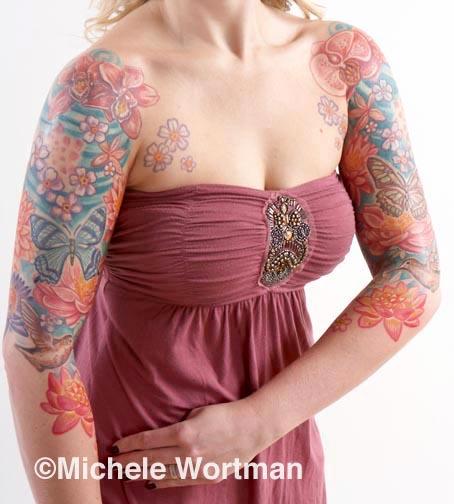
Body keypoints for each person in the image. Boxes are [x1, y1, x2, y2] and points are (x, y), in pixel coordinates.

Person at [3, 0, 441, 502]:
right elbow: (38, 347)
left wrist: (260, 421)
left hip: (283, 451)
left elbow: (414, 272)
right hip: (147, 462)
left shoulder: (344, 63)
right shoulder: (107, 91)